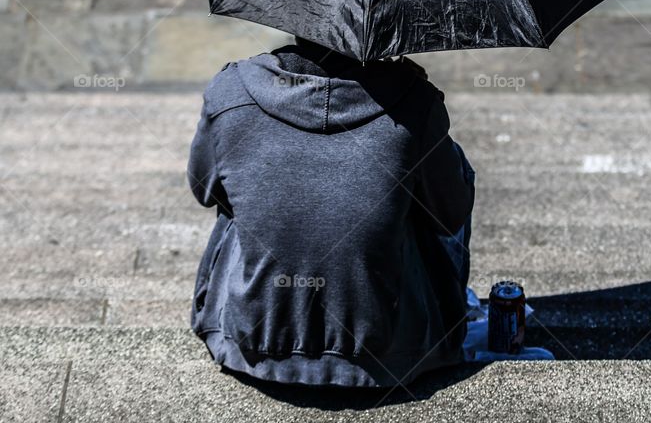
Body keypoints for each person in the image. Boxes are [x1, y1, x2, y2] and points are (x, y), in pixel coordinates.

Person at [186, 37, 475, 388]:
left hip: (250, 347)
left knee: (237, 197)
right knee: (441, 180)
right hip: (391, 357)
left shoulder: (229, 91)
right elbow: (450, 211)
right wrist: (422, 117)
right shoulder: (415, 101)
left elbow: (204, 190)